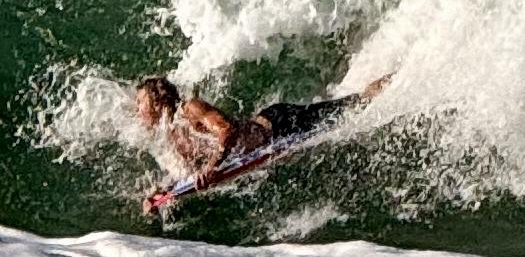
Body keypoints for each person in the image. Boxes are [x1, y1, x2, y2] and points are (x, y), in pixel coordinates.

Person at [135, 73, 393, 188]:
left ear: (157, 102)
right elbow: (187, 173)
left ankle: (395, 80)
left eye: (140, 102)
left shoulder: (190, 109)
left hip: (278, 124)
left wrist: (212, 167)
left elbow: (227, 131)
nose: (137, 109)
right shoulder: (173, 135)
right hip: (264, 139)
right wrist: (161, 195)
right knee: (346, 109)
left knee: (355, 105)